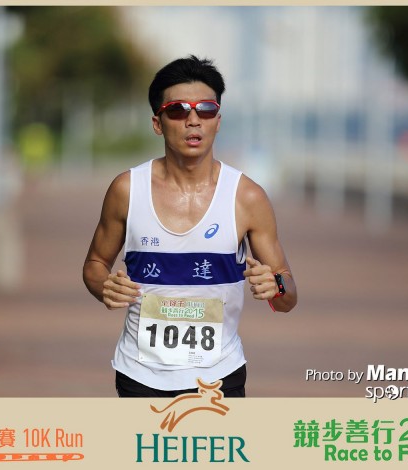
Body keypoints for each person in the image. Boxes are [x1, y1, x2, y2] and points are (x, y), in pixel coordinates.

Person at [83, 55, 297, 398]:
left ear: (218, 121)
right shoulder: (127, 189)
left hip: (220, 374)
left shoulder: (247, 197)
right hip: (139, 374)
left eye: (206, 110)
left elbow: (287, 296)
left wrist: (276, 286)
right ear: (158, 123)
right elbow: (95, 264)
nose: (193, 120)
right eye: (178, 110)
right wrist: (104, 287)